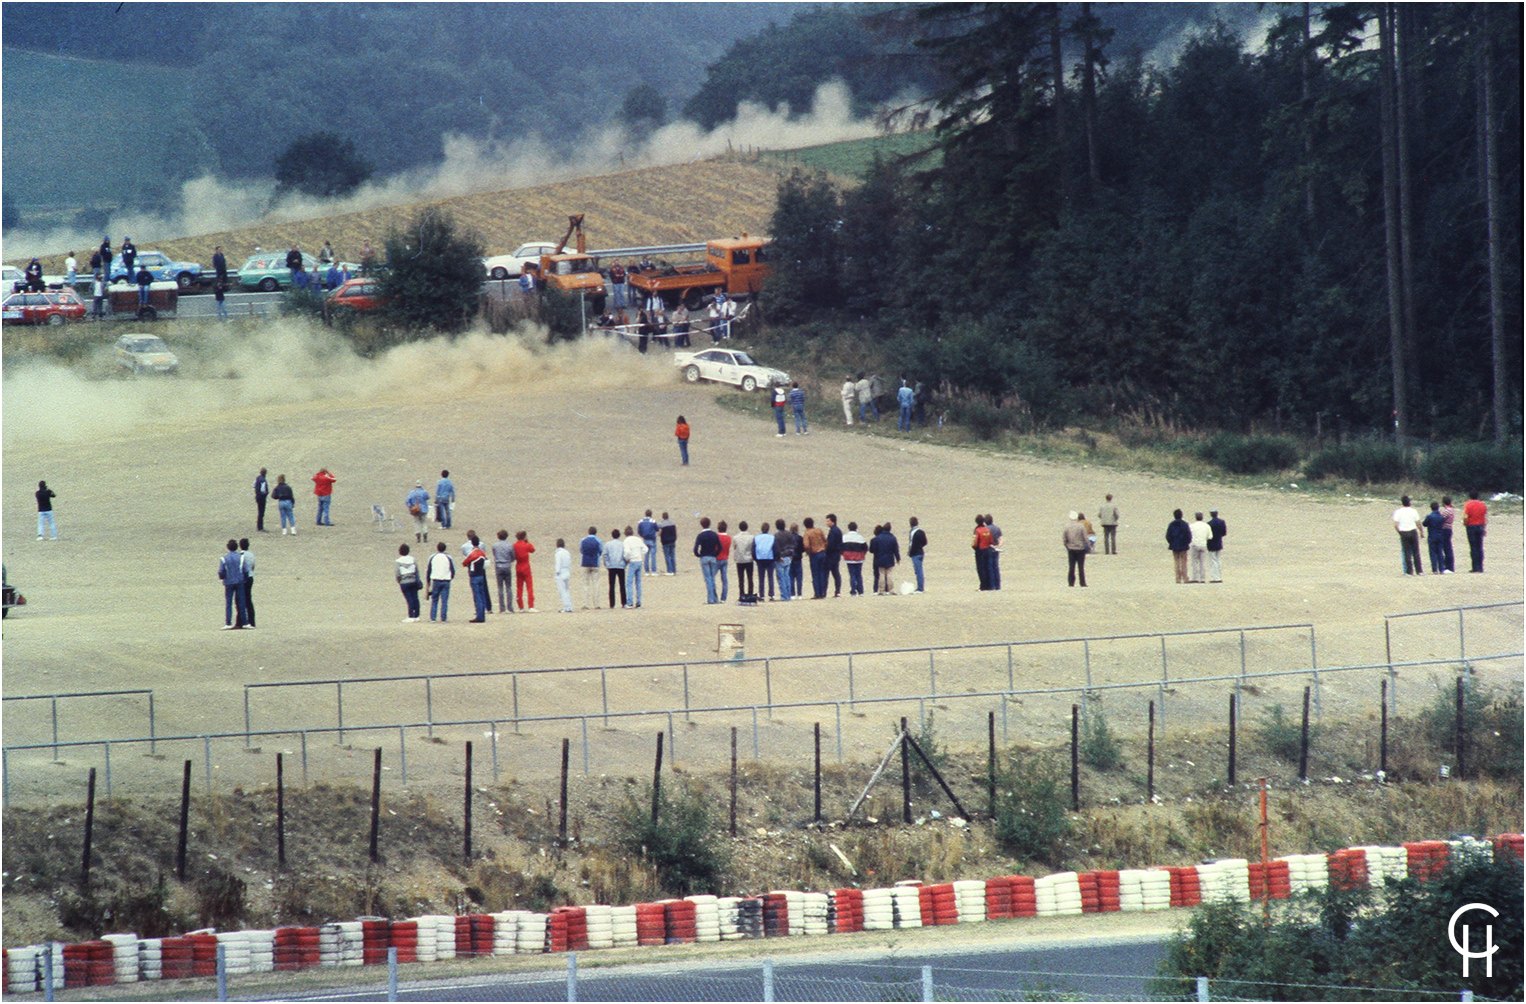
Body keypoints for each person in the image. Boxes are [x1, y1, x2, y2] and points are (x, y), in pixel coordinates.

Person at [218, 539, 248, 629]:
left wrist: (223, 577)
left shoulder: (224, 558)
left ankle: (228, 623)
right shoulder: (241, 557)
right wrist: (244, 578)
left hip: (229, 582)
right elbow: (245, 570)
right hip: (239, 581)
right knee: (241, 602)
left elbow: (221, 571)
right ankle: (245, 622)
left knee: (229, 603)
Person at [1393, 495, 1424, 576]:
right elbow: (1418, 523)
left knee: (1407, 552)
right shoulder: (1413, 511)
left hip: (1403, 531)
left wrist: (1399, 532)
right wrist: (1421, 531)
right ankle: (1419, 570)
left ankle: (1409, 571)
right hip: (1413, 531)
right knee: (1416, 552)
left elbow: (1396, 524)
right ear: (1409, 503)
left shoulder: (1398, 512)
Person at [694, 517, 721, 604]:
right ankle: (715, 598)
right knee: (712, 578)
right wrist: (715, 554)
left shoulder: (701, 536)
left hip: (704, 557)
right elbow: (720, 547)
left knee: (708, 579)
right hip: (713, 557)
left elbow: (695, 548)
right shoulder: (714, 534)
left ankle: (711, 599)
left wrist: (699, 555)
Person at [427, 542, 455, 622]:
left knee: (435, 599)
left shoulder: (433, 557)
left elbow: (429, 569)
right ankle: (443, 617)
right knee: (444, 600)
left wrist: (428, 581)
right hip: (446, 580)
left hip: (436, 579)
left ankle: (433, 617)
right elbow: (452, 569)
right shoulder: (448, 557)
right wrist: (450, 577)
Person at [464, 538, 490, 622]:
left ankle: (479, 615)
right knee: (482, 595)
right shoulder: (482, 553)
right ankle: (482, 614)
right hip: (481, 575)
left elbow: (465, 563)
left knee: (477, 596)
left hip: (474, 576)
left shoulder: (472, 554)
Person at [870, 522, 900, 595]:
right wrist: (898, 558)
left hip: (879, 558)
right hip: (890, 558)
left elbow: (872, 550)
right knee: (889, 574)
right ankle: (891, 590)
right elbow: (896, 549)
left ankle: (881, 590)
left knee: (881, 574)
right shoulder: (893, 538)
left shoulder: (877, 538)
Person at [603, 528, 629, 608]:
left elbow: (605, 555)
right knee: (622, 585)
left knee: (611, 585)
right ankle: (624, 603)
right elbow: (626, 554)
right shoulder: (622, 544)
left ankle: (612, 604)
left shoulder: (608, 544)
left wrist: (607, 564)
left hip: (611, 566)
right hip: (621, 566)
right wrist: (625, 563)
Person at [396, 543, 422, 621]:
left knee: (409, 599)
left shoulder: (398, 561)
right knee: (415, 598)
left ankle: (411, 615)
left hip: (404, 582)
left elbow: (397, 573)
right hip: (413, 580)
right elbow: (416, 570)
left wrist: (399, 581)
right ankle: (416, 615)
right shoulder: (412, 559)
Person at [622, 525, 647, 608]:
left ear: (625, 533)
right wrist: (640, 554)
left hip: (632, 562)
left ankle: (630, 602)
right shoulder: (638, 539)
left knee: (629, 582)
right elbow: (645, 549)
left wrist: (627, 559)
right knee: (638, 582)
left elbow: (627, 552)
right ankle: (639, 602)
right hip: (639, 561)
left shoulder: (626, 541)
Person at [1463, 491, 1488, 572]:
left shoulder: (1468, 504)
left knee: (1473, 547)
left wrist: (1465, 523)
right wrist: (1484, 527)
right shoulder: (1482, 504)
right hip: (1480, 525)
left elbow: (1465, 517)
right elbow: (1485, 517)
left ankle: (1475, 567)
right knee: (1479, 546)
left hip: (1471, 526)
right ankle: (1480, 567)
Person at [492, 530, 516, 613]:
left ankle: (502, 608)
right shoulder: (510, 546)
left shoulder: (495, 545)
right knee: (509, 587)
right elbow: (513, 557)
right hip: (507, 566)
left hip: (499, 566)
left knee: (500, 588)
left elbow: (494, 554)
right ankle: (510, 607)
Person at [578, 527, 602, 609]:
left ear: (588, 532)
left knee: (585, 584)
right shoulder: (598, 541)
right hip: (595, 563)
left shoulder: (583, 540)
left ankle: (585, 604)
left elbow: (581, 550)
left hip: (585, 563)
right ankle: (596, 604)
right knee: (596, 584)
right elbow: (600, 551)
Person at [841, 522, 868, 595]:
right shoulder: (860, 537)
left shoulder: (844, 537)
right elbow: (865, 548)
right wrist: (862, 555)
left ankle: (853, 591)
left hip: (849, 559)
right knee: (858, 574)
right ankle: (861, 591)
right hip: (859, 558)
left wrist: (844, 554)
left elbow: (841, 548)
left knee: (852, 574)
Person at [1063, 512, 1089, 587]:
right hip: (1080, 548)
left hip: (1071, 548)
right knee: (1081, 567)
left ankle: (1071, 583)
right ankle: (1082, 583)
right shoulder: (1081, 526)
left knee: (1071, 567)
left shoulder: (1066, 526)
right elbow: (1085, 537)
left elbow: (1064, 538)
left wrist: (1066, 545)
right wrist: (1088, 546)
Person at [513, 530, 537, 611]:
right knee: (529, 587)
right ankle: (531, 606)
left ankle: (521, 607)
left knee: (519, 587)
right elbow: (533, 550)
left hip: (518, 566)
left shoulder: (514, 545)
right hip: (526, 566)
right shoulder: (526, 545)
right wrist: (527, 542)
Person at [753, 519, 777, 600]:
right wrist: (775, 558)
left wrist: (755, 559)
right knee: (770, 577)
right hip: (770, 559)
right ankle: (771, 595)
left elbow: (753, 549)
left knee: (761, 578)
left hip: (760, 559)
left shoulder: (756, 537)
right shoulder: (772, 537)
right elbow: (775, 549)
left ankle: (762, 595)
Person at [1422, 503, 1448, 575]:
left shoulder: (1430, 516)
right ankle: (1441, 568)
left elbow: (1424, 524)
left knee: (1433, 552)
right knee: (1440, 552)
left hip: (1432, 535)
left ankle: (1434, 569)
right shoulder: (1441, 517)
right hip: (1440, 535)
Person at [1166, 510, 1191, 583]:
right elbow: (1188, 535)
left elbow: (1168, 536)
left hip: (1174, 545)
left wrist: (1171, 543)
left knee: (1176, 562)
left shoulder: (1171, 525)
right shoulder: (1185, 524)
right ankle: (1185, 578)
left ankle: (1178, 578)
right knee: (1183, 562)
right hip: (1183, 545)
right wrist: (1187, 542)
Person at [732, 520, 756, 599]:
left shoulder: (735, 538)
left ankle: (741, 593)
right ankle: (750, 593)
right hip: (749, 559)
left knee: (741, 578)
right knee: (750, 577)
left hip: (740, 559)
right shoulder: (751, 537)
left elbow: (734, 547)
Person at [238, 538, 257, 628]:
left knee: (241, 600)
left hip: (244, 578)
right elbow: (253, 566)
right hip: (250, 577)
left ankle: (241, 621)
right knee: (249, 599)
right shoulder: (251, 554)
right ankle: (252, 620)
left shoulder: (241, 555)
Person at [1188, 512, 1211, 583]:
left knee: (1195, 562)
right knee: (1202, 562)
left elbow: (1189, 535)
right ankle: (1203, 578)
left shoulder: (1192, 526)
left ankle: (1195, 578)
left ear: (1195, 518)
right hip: (1203, 544)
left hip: (1194, 544)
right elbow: (1210, 536)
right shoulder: (1207, 526)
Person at [971, 515, 992, 590]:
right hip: (987, 549)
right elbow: (991, 541)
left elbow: (975, 542)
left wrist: (974, 547)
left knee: (981, 569)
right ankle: (989, 585)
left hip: (980, 550)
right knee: (987, 567)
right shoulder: (987, 530)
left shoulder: (977, 530)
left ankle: (983, 586)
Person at [825, 514, 844, 597]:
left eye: (828, 521)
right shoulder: (837, 530)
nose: (826, 522)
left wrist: (826, 550)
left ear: (833, 521)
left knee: (828, 573)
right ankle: (837, 591)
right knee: (835, 572)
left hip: (832, 555)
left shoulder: (834, 531)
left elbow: (831, 544)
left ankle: (825, 591)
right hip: (836, 554)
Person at [553, 539, 575, 613]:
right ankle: (569, 606)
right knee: (566, 590)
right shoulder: (567, 552)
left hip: (561, 573)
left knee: (562, 591)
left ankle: (566, 607)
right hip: (567, 571)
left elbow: (558, 563)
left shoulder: (558, 553)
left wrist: (557, 572)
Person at [908, 516, 927, 592]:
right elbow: (925, 542)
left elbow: (911, 544)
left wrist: (910, 552)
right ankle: (920, 586)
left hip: (915, 553)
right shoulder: (921, 532)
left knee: (918, 571)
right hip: (921, 552)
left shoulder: (912, 532)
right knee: (920, 570)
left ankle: (920, 587)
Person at [1438, 496, 1457, 573]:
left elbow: (1440, 519)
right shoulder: (1452, 510)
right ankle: (1450, 566)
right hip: (1449, 529)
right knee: (1448, 547)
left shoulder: (1447, 511)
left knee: (1446, 548)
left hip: (1445, 530)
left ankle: (1448, 566)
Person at [715, 520, 732, 603]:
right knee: (724, 579)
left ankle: (714, 596)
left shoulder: (717, 537)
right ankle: (723, 598)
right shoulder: (728, 538)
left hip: (717, 558)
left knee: (712, 578)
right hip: (725, 558)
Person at [985, 514, 1003, 590]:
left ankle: (991, 585)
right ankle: (998, 585)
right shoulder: (997, 528)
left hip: (988, 549)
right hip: (996, 549)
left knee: (989, 568)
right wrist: (998, 547)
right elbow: (1001, 539)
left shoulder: (985, 529)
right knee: (995, 567)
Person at [254, 468, 270, 532]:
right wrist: (266, 493)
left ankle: (259, 526)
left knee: (259, 512)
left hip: (257, 496)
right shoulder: (263, 480)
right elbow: (263, 490)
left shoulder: (258, 478)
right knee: (261, 512)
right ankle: (260, 527)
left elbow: (254, 485)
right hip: (262, 498)